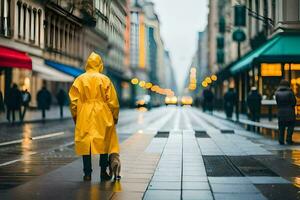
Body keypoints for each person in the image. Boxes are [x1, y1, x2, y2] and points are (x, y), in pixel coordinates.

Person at [69, 52, 120, 181]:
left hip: (85, 113)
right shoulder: (105, 79)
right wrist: (115, 117)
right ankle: (103, 171)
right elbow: (113, 101)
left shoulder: (80, 79)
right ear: (99, 64)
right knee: (104, 142)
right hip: (102, 113)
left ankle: (87, 173)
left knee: (86, 143)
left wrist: (76, 116)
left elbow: (73, 101)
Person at [275, 80, 297, 145]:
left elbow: (277, 102)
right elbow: (294, 102)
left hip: (280, 112)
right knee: (291, 126)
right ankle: (288, 139)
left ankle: (281, 140)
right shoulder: (290, 92)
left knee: (281, 126)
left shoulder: (277, 93)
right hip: (290, 112)